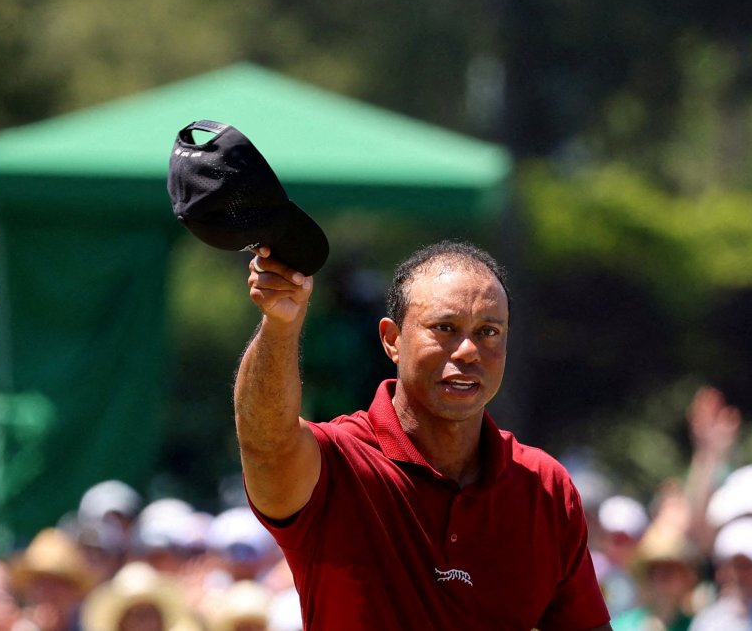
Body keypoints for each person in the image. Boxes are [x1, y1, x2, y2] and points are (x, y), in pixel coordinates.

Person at [234, 240, 610, 629]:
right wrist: (279, 326)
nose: (468, 350)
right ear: (391, 340)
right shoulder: (336, 463)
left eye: (489, 331)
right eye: (445, 328)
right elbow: (265, 443)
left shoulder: (544, 487)